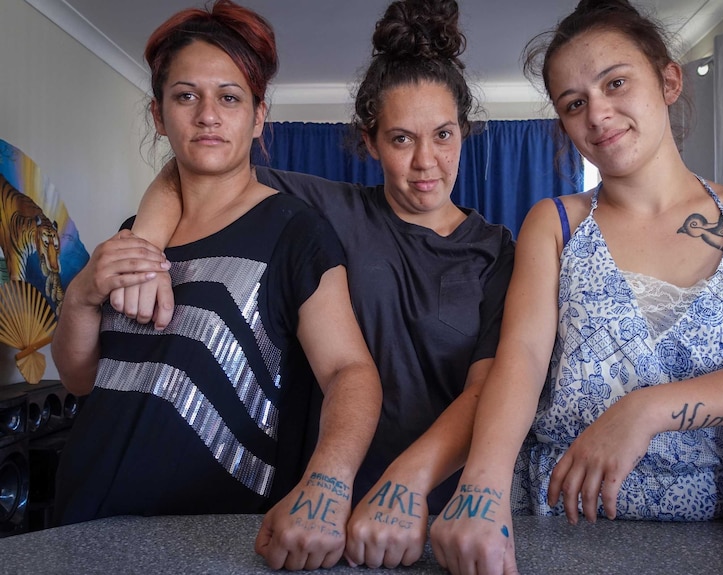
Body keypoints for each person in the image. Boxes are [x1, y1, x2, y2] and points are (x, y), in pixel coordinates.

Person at [430, 0, 723, 573]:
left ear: (669, 79)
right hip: (560, 529)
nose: (597, 114)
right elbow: (519, 358)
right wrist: (482, 489)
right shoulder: (555, 222)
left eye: (615, 82)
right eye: (575, 104)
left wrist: (643, 411)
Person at [117, 0, 516, 569]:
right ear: (370, 140)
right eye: (401, 139)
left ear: (464, 133)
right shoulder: (328, 211)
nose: (426, 161)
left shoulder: (498, 251)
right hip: (323, 507)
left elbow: (492, 389)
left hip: (447, 512)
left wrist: (405, 486)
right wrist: (147, 250)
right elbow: (197, 170)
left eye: (443, 135)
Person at [50, 1, 382, 571]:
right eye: (186, 96)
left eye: (229, 97)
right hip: (83, 522)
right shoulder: (137, 235)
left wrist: (328, 484)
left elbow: (349, 372)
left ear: (257, 117)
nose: (207, 115)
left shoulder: (295, 232)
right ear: (159, 115)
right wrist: (81, 295)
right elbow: (83, 379)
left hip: (211, 540)